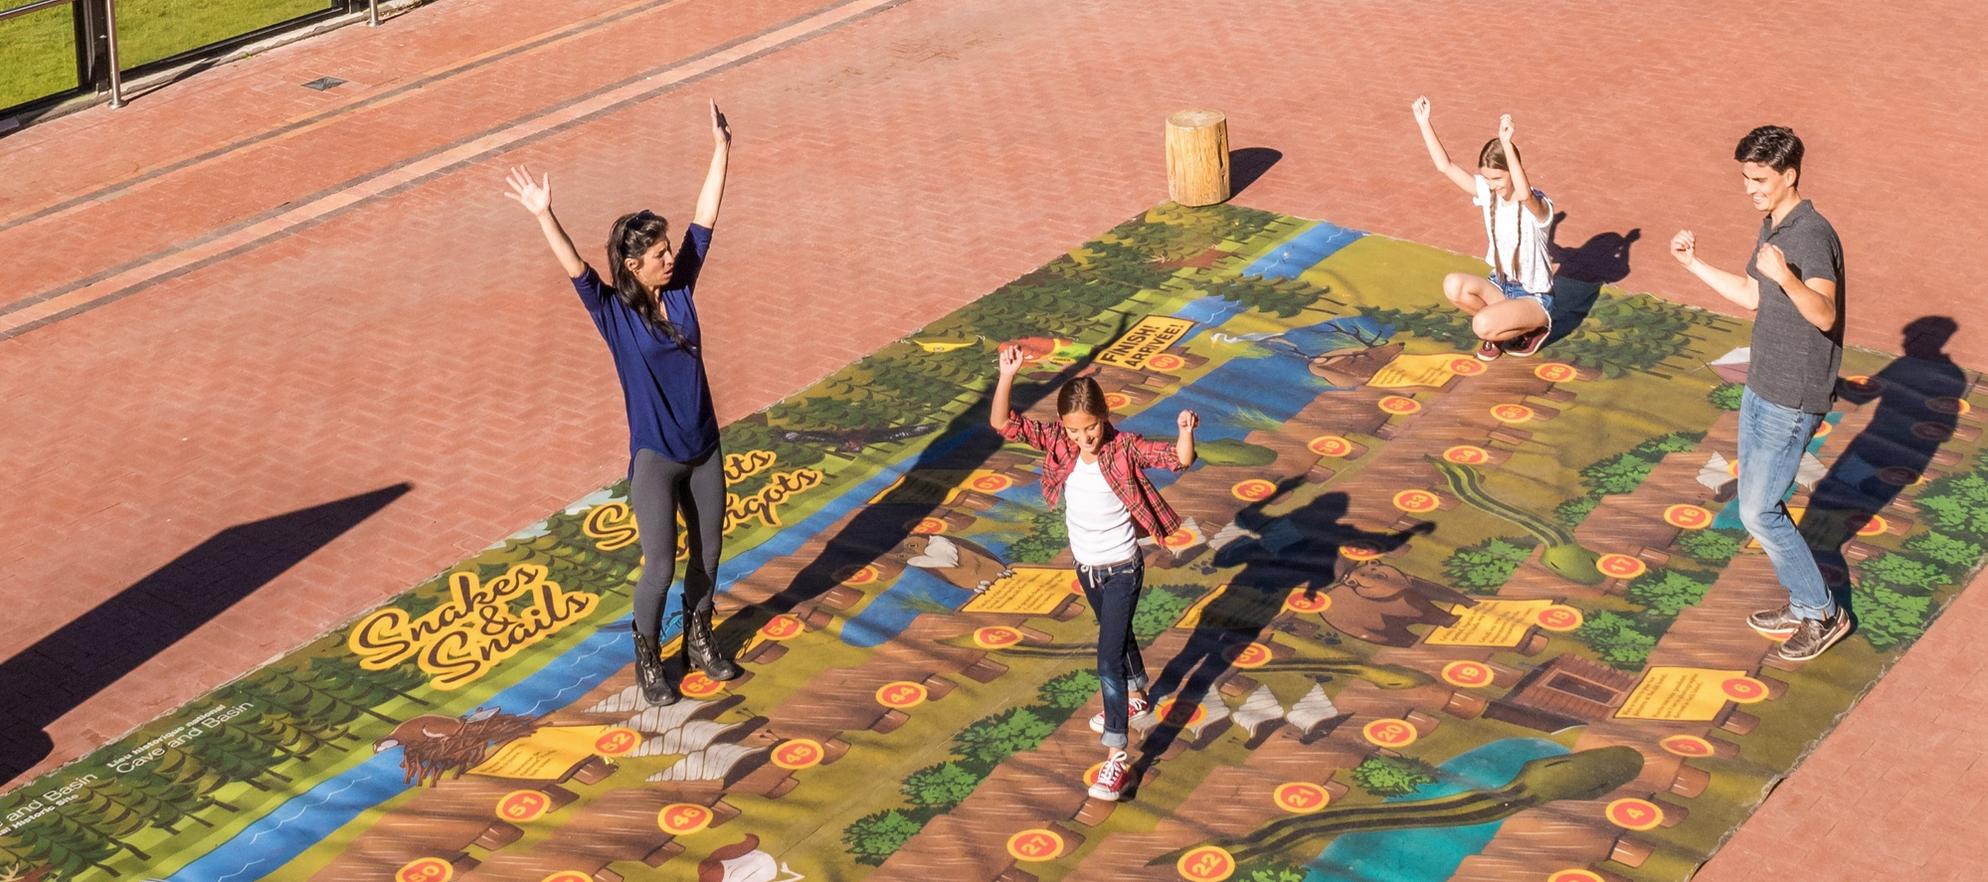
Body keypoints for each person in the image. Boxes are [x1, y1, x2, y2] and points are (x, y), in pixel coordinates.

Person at [504, 100, 740, 705]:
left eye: (669, 249)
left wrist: (721, 150)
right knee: (660, 565)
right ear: (634, 266)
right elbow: (577, 269)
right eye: (659, 254)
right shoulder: (614, 313)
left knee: (709, 556)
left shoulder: (682, 288)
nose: (671, 256)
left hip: (706, 447)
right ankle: (646, 659)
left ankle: (700, 639)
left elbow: (705, 217)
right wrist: (543, 213)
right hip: (657, 460)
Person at [1670, 125, 1849, 662]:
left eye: (1759, 178)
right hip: (1763, 382)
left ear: (1788, 174)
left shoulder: (1812, 235)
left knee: (1758, 511)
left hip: (1793, 393)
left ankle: (1822, 613)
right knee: (1760, 503)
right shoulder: (1774, 224)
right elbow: (1752, 294)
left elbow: (1824, 313)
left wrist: (1789, 279)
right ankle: (1802, 600)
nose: (1749, 187)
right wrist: (1694, 265)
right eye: (1745, 177)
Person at [988, 346, 1196, 802]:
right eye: (1074, 430)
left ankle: (1116, 758)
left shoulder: (1124, 448)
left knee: (1106, 660)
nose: (1083, 439)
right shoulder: (1060, 443)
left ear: (1106, 415)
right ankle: (1139, 695)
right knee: (1116, 639)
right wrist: (1007, 376)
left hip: (1122, 568)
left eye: (1091, 427)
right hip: (1085, 567)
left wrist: (1185, 433)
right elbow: (1004, 424)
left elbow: (1176, 460)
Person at [1411, 96, 1557, 360]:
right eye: (1487, 179)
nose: (1492, 186)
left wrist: (1506, 144)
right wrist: (1424, 124)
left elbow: (1523, 194)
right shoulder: (1489, 194)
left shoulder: (1538, 206)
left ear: (1513, 172)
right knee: (1453, 284)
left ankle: (1533, 327)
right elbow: (1445, 166)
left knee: (1481, 326)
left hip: (1533, 297)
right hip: (1500, 286)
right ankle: (1505, 328)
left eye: (1498, 178)